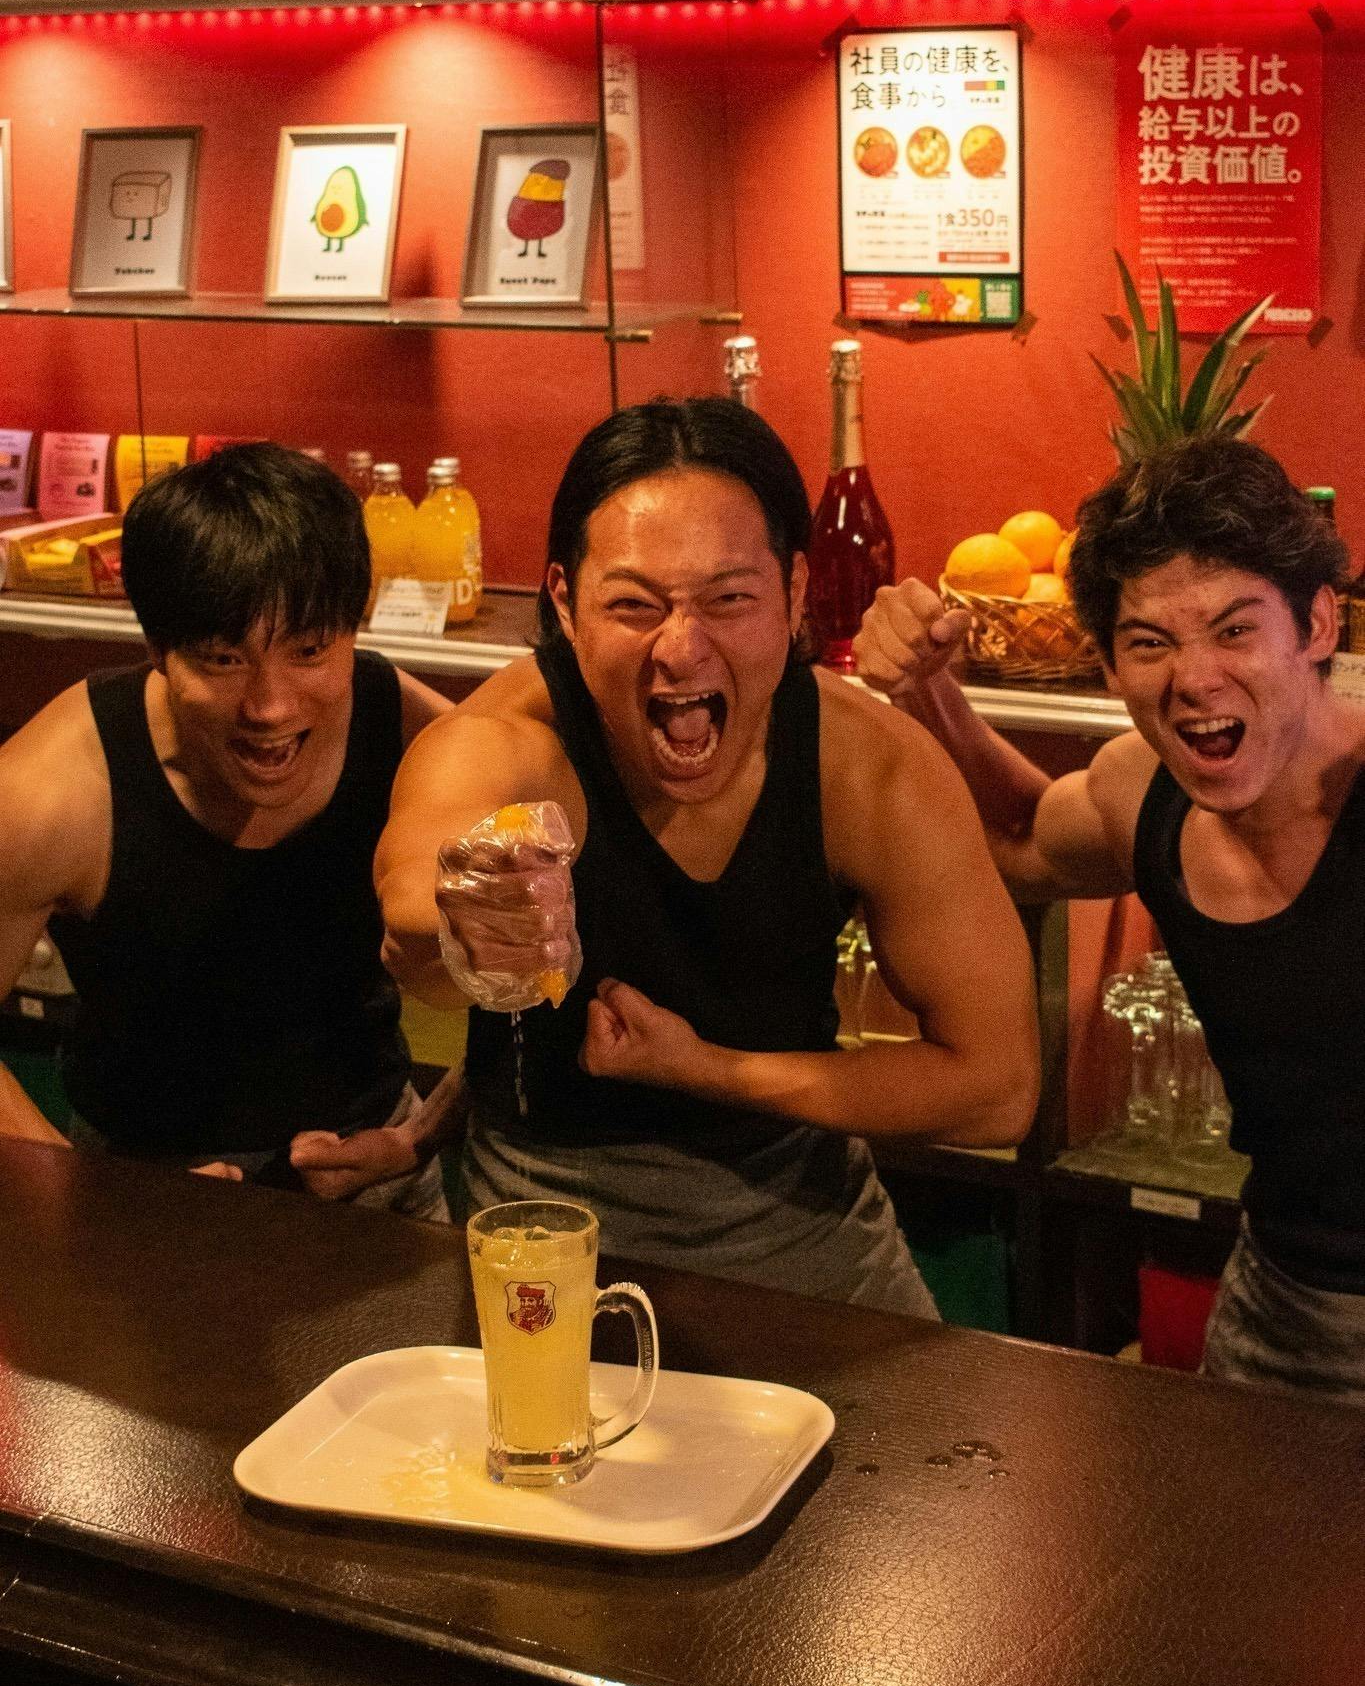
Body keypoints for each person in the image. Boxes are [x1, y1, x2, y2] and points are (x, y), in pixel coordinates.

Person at [363, 397, 1039, 1313]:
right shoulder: (510, 740)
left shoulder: (867, 766)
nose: (680, 651)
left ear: (794, 593)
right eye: (633, 605)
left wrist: (706, 1067)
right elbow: (420, 901)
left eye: (728, 599)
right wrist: (468, 910)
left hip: (814, 1232)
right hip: (544, 1236)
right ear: (562, 601)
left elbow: (996, 1090)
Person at [853, 431, 1365, 1400]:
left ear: (1315, 625)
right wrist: (925, 688)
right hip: (1278, 1308)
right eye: (1150, 642)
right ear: (1108, 664)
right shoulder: (1143, 794)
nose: (1194, 677)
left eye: (1234, 630)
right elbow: (1017, 840)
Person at [0, 441, 452, 1217]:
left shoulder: (408, 728)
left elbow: (562, 939)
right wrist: (91, 1201)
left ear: (352, 630)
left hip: (381, 1171)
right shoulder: (50, 792)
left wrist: (421, 1137)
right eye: (222, 659)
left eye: (308, 651)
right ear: (157, 649)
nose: (270, 707)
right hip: (140, 1190)